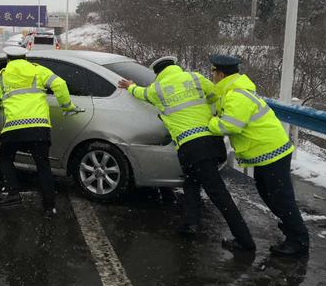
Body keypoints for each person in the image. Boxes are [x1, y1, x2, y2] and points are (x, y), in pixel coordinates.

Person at [118, 55, 256, 251]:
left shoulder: (157, 89)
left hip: (191, 147)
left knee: (217, 192)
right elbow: (216, 96)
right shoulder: (196, 78)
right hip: (211, 141)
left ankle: (244, 240)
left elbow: (140, 93)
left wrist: (129, 85)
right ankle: (192, 224)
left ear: (157, 73)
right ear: (175, 66)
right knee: (190, 182)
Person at [207, 54, 309, 257]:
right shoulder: (231, 91)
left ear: (220, 74)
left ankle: (298, 241)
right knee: (267, 192)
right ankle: (291, 230)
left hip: (271, 151)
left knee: (281, 197)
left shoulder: (236, 95)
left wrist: (209, 123)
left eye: (213, 73)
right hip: (267, 152)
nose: (212, 77)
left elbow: (230, 125)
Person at [0, 46, 79, 218]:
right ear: (25, 57)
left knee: (5, 159)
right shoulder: (38, 70)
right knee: (43, 166)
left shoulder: (2, 76)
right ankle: (49, 208)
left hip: (13, 128)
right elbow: (60, 84)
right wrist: (67, 106)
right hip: (38, 127)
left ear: (8, 59)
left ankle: (13, 193)